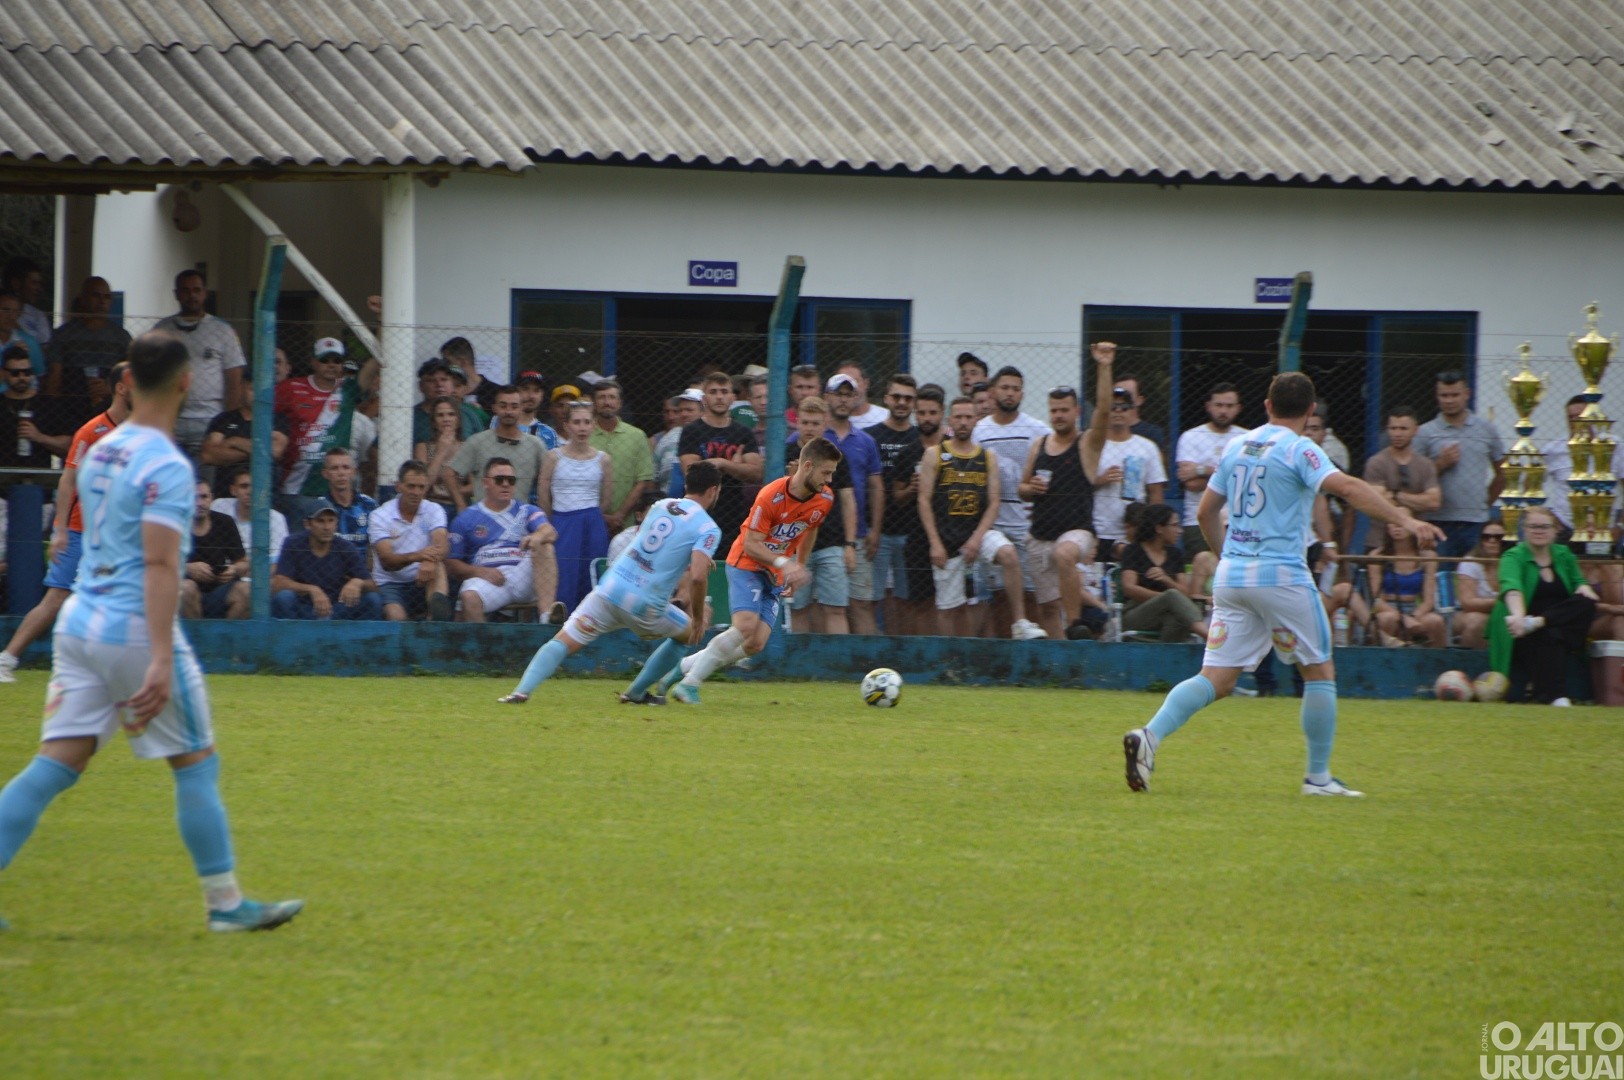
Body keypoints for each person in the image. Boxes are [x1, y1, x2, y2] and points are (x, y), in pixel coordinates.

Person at [0, 329, 302, 933]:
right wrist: (161, 658)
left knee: (57, 761)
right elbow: (163, 564)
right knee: (195, 764)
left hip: (81, 619)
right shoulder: (165, 463)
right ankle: (225, 905)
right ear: (186, 383)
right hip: (131, 627)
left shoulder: (101, 448)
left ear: (128, 381)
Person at [1122, 370, 1444, 798]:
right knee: (1320, 671)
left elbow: (1203, 513)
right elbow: (1346, 487)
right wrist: (1405, 518)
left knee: (1216, 678)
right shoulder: (1301, 449)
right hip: (1281, 576)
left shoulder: (1237, 445)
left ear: (1267, 406)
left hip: (1233, 575)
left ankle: (1150, 735)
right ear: (1310, 410)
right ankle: (1318, 779)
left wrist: (1226, 558)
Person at [501, 462, 725, 706]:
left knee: (563, 640)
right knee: (688, 635)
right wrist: (700, 618)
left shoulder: (660, 505)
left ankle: (520, 692)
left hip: (610, 589)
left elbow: (656, 546)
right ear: (714, 491)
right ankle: (636, 693)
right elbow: (698, 577)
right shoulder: (708, 527)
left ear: (686, 485)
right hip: (645, 604)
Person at [658, 439, 840, 704]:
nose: (829, 479)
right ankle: (690, 685)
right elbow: (752, 545)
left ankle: (684, 667)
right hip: (747, 563)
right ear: (808, 466)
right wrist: (784, 563)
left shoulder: (824, 498)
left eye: (832, 473)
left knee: (755, 645)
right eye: (826, 472)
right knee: (744, 626)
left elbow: (810, 528)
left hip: (775, 572)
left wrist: (799, 564)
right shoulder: (771, 496)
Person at [0, 361, 131, 683]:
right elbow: (68, 480)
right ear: (121, 388)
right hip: (81, 531)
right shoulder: (92, 431)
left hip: (117, 536)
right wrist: (60, 530)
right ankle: (7, 658)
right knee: (56, 598)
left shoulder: (141, 434)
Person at [919, 396, 1046, 639]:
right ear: (950, 420)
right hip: (946, 537)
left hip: (979, 532)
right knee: (948, 608)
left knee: (1008, 554)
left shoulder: (987, 457)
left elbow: (994, 502)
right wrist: (934, 542)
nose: (964, 422)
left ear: (977, 420)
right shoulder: (935, 455)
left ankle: (1019, 621)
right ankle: (950, 662)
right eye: (958, 417)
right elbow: (924, 500)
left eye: (969, 417)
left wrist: (977, 539)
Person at [1488, 507, 1598, 706]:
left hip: (1548, 623)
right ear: (1524, 529)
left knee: (1587, 603)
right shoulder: (1513, 556)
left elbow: (1579, 582)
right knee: (1551, 636)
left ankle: (1539, 622)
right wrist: (1520, 617)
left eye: (1545, 527)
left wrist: (1583, 588)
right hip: (1520, 627)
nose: (1539, 531)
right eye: (1533, 526)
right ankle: (1556, 696)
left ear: (1555, 530)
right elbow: (1512, 589)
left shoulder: (1564, 555)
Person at [972, 365, 1051, 638]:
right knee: (998, 596)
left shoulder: (1037, 430)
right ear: (993, 391)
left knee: (1032, 594)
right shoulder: (978, 431)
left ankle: (1033, 652)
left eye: (1015, 389)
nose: (1010, 393)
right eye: (1004, 388)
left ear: (1022, 393)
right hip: (991, 524)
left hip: (1027, 523)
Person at [1019, 385, 1098, 639]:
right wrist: (1030, 487)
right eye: (1054, 411)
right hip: (1040, 535)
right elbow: (1021, 488)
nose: (1058, 416)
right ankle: (1062, 665)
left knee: (1063, 554)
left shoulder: (1086, 442)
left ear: (1077, 411)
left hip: (1077, 531)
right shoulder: (1039, 444)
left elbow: (1105, 413)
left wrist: (1104, 368)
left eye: (1064, 410)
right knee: (1048, 609)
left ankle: (1075, 624)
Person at [446, 458, 562, 624]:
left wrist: (536, 537)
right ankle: (485, 648)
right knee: (469, 597)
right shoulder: (466, 518)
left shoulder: (526, 510)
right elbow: (451, 563)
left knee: (545, 547)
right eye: (499, 480)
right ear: (486, 483)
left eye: (511, 480)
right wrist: (481, 572)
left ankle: (546, 619)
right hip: (488, 579)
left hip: (522, 577)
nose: (506, 484)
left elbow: (550, 531)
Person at [1081, 344, 1165, 558]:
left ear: (1132, 410)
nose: (1118, 412)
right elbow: (1077, 486)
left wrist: (1153, 529)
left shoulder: (1147, 446)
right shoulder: (1093, 443)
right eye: (1113, 407)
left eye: (1124, 407)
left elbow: (1156, 493)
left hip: (1133, 532)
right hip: (1097, 529)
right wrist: (1100, 479)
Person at [154, 270, 246, 460]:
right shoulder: (161, 330)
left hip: (211, 420)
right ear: (176, 294)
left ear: (206, 293)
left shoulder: (223, 330)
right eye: (186, 290)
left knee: (206, 483)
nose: (192, 295)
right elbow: (150, 377)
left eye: (197, 290)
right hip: (172, 419)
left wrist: (226, 422)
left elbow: (235, 380)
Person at [1414, 371, 1506, 560]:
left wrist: (1485, 503)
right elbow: (1414, 480)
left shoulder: (1486, 429)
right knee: (1440, 580)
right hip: (1437, 521)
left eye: (1454, 395)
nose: (1449, 400)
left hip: (1476, 522)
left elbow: (1503, 472)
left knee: (1473, 576)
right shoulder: (1425, 432)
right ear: (1436, 396)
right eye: (1444, 395)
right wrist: (1440, 464)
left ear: (1467, 394)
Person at [785, 397, 856, 634]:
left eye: (815, 423)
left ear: (824, 424)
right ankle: (800, 667)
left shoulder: (835, 456)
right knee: (796, 608)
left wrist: (850, 544)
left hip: (832, 543)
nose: (809, 428)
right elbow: (774, 501)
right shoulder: (784, 453)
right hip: (793, 543)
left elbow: (847, 501)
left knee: (836, 607)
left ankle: (839, 664)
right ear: (797, 423)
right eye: (805, 422)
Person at [822, 373, 885, 635]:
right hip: (820, 534)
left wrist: (875, 531)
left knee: (861, 603)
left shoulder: (866, 441)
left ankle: (867, 665)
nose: (843, 399)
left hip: (858, 534)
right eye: (839, 393)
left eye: (849, 394)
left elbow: (876, 487)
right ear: (827, 397)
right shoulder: (812, 438)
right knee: (821, 604)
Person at [274, 336, 371, 502]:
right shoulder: (290, 388)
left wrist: (380, 321)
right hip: (296, 485)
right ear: (313, 362)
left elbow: (374, 364)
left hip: (334, 491)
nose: (331, 364)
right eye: (325, 360)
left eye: (337, 360)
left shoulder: (347, 390)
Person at [866, 374, 926, 634]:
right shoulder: (870, 437)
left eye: (908, 398)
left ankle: (904, 652)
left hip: (912, 532)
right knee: (871, 597)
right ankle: (875, 651)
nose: (902, 402)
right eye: (897, 397)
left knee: (908, 598)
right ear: (886, 399)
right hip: (876, 531)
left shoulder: (922, 439)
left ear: (914, 402)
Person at [676, 371, 762, 554]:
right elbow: (692, 475)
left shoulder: (743, 432)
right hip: (698, 515)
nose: (719, 397)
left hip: (733, 515)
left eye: (724, 392)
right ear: (705, 398)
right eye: (713, 392)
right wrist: (737, 466)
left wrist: (722, 463)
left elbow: (757, 474)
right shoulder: (691, 431)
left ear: (732, 397)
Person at [539, 401, 611, 612]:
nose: (582, 427)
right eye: (577, 422)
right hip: (562, 521)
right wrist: (551, 521)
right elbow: (544, 494)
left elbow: (606, 498)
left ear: (593, 425)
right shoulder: (553, 456)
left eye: (587, 422)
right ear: (567, 425)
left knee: (591, 575)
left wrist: (593, 515)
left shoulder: (603, 459)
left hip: (592, 522)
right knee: (564, 574)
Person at [269, 500, 382, 620]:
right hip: (303, 608)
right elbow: (278, 583)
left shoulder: (346, 547)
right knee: (283, 597)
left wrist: (358, 582)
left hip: (338, 609)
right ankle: (287, 637)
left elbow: (374, 586)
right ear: (307, 524)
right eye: (320, 521)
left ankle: (366, 639)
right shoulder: (293, 543)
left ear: (336, 524)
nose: (327, 527)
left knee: (372, 599)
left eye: (331, 521)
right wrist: (311, 589)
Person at [370, 460, 452, 621]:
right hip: (390, 582)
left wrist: (429, 561)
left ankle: (435, 620)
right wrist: (419, 556)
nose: (416, 492)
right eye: (411, 486)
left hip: (422, 578)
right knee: (396, 617)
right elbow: (387, 562)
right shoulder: (380, 515)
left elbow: (441, 544)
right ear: (398, 486)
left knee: (438, 566)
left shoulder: (434, 509)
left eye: (421, 487)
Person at [44, 276, 130, 425]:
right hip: (69, 408)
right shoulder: (63, 335)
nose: (102, 301)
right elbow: (54, 381)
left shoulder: (122, 337)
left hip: (109, 409)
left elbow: (131, 377)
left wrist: (109, 388)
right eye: (96, 295)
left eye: (107, 297)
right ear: (83, 298)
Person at [446, 385, 548, 511]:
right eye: (503, 406)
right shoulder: (477, 441)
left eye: (514, 406)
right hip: (483, 520)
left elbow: (549, 481)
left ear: (521, 408)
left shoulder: (536, 445)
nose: (508, 411)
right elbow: (449, 473)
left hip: (519, 520)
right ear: (494, 408)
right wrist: (461, 505)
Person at [1174, 383, 1246, 558]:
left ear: (1238, 408)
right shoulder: (1191, 437)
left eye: (1229, 406)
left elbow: (1249, 480)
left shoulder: (1247, 438)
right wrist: (1233, 476)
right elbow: (1191, 484)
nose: (1223, 411)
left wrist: (1202, 469)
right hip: (1197, 521)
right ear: (1208, 406)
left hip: (1240, 522)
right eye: (1218, 405)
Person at [1119, 503, 1208, 642]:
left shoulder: (1175, 554)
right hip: (1135, 613)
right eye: (1175, 525)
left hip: (1166, 614)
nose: (1180, 531)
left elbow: (1185, 593)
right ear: (1159, 528)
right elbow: (1129, 588)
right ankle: (1209, 636)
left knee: (1176, 618)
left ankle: (1164, 656)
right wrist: (1165, 598)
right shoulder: (1133, 550)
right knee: (1172, 596)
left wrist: (1167, 580)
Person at [1362, 406, 1442, 546]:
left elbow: (1433, 502)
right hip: (1380, 541)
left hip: (1417, 542)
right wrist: (1416, 501)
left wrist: (1397, 495)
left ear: (1415, 430)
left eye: (1403, 429)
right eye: (1393, 429)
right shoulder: (1376, 462)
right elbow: (1377, 501)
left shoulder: (1425, 465)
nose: (1397, 434)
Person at [202, 380, 289, 498]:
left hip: (266, 493)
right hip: (226, 492)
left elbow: (275, 451)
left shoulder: (277, 419)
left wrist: (234, 441)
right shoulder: (224, 418)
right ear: (242, 389)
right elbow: (208, 455)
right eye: (253, 389)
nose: (258, 395)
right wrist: (260, 451)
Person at [588, 379, 654, 534]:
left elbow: (642, 480)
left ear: (620, 402)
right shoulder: (584, 435)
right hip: (591, 519)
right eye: (602, 397)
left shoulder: (637, 436)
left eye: (612, 397)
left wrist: (620, 515)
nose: (607, 402)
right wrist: (602, 517)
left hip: (628, 521)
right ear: (593, 403)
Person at [1370, 521, 1447, 647]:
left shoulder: (1428, 556)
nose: (1397, 527)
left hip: (1414, 608)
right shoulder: (1377, 555)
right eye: (1393, 523)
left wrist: (1413, 616)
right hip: (1387, 607)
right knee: (1387, 619)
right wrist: (1403, 618)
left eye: (1401, 524)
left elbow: (1429, 601)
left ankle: (1439, 663)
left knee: (1435, 621)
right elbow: (1376, 599)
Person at [180, 481, 249, 619]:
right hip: (186, 588)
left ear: (211, 498)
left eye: (204, 497)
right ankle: (197, 639)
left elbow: (244, 563)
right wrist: (187, 568)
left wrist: (233, 569)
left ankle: (226, 638)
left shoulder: (225, 522)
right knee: (186, 588)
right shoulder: (175, 525)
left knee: (246, 590)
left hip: (220, 589)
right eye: (194, 498)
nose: (200, 503)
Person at [0, 344, 72, 469]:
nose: (22, 378)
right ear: (3, 374)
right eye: (15, 373)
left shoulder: (47, 404)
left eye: (27, 372)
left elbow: (70, 444)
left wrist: (40, 437)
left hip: (37, 475)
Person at [211, 466, 288, 576]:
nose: (250, 492)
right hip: (221, 573)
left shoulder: (276, 518)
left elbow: (276, 564)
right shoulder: (218, 506)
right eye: (244, 486)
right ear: (233, 490)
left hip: (259, 578)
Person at [1452, 522, 1504, 649]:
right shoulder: (1469, 563)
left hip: (1504, 614)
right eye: (1487, 537)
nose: (1492, 540)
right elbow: (1467, 603)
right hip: (1466, 614)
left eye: (1498, 537)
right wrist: (1499, 602)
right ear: (1481, 540)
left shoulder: (1511, 563)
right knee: (1476, 621)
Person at [415, 396, 468, 514]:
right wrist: (441, 452)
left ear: (458, 420)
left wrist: (454, 491)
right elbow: (423, 485)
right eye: (440, 415)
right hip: (430, 505)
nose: (446, 419)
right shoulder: (423, 447)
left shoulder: (467, 447)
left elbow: (475, 484)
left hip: (459, 505)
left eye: (451, 414)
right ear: (433, 421)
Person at [319, 447, 377, 554]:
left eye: (345, 467)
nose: (341, 473)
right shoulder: (318, 507)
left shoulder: (369, 505)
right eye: (334, 468)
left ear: (353, 472)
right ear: (325, 473)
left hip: (362, 568)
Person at [653, 389, 701, 493]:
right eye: (680, 410)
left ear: (703, 411)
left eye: (689, 410)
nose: (683, 414)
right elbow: (654, 478)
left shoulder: (713, 438)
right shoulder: (666, 440)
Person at [440, 336, 501, 415]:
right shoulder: (445, 392)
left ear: (462, 362)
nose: (445, 367)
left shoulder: (496, 393)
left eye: (448, 362)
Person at [1, 257, 50, 346]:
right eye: (34, 283)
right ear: (16, 283)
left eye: (40, 284)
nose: (38, 289)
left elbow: (44, 349)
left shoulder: (38, 316)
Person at [507, 371, 560, 447]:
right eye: (525, 389)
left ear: (542, 395)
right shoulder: (499, 422)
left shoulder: (548, 433)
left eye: (536, 390)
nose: (531, 396)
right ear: (515, 391)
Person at [0, 292, 45, 378]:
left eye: (16, 311)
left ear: (20, 314)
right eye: (6, 310)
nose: (11, 317)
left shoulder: (30, 342)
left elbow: (39, 376)